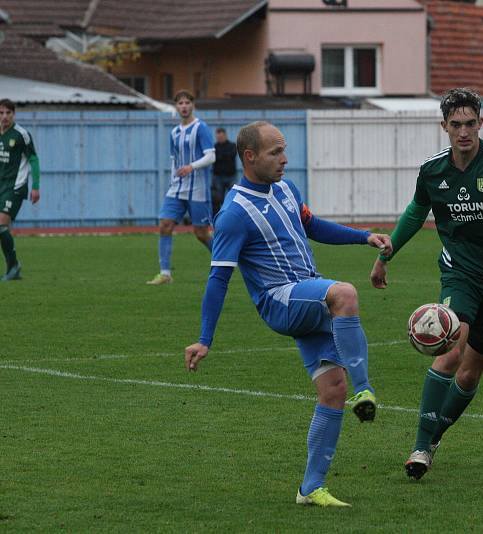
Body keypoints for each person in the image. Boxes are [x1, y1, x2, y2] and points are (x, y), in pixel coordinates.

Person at [184, 121, 392, 507]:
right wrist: (205, 338)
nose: (285, 158)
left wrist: (364, 236)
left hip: (307, 295)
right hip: (279, 302)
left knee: (332, 391)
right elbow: (218, 279)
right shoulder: (233, 213)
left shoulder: (285, 189)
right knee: (344, 294)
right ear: (249, 157)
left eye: (284, 150)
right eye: (274, 152)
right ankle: (366, 389)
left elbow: (312, 226)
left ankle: (311, 488)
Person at [370, 88, 483, 480]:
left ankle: (433, 438)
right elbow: (417, 212)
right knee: (451, 352)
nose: (463, 131)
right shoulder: (433, 170)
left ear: (481, 123)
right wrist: (386, 256)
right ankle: (419, 446)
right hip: (459, 273)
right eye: (455, 125)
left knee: (470, 374)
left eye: (470, 124)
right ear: (444, 126)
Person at [146, 90, 216, 285]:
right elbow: (174, 160)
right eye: (180, 103)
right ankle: (165, 273)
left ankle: (224, 260)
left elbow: (211, 156)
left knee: (201, 233)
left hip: (198, 188)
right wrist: (172, 181)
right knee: (164, 225)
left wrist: (191, 166)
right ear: (176, 107)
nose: (184, 106)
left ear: (193, 105)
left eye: (187, 102)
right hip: (177, 188)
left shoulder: (201, 128)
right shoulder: (175, 132)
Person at [0, 99, 40, 281]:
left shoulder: (21, 134)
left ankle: (13, 267)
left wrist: (36, 186)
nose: (4, 117)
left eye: (8, 113)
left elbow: (34, 160)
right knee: (1, 229)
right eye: (1, 113)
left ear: (14, 114)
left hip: (15, 187)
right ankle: (13, 268)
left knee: (0, 226)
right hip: (1, 186)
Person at [211, 127, 237, 216]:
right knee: (217, 200)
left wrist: (220, 156)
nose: (219, 139)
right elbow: (214, 158)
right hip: (217, 177)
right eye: (218, 137)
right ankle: (217, 218)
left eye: (221, 137)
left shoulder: (232, 145)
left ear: (225, 135)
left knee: (233, 198)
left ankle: (231, 216)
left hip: (231, 176)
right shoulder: (214, 147)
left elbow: (231, 155)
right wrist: (224, 155)